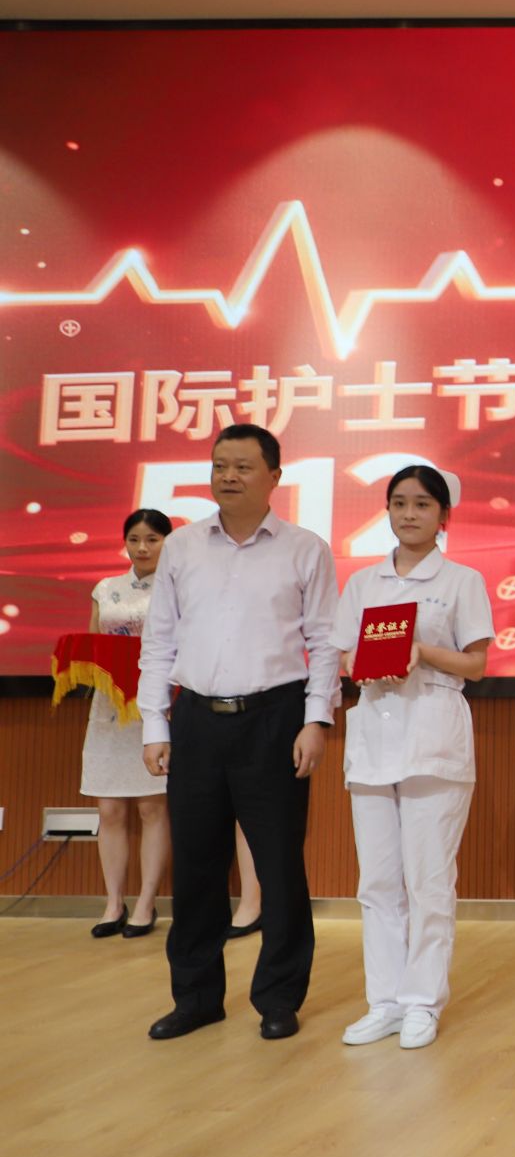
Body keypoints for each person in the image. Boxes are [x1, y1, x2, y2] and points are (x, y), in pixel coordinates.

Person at [138, 423, 339, 1041]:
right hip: (196, 718)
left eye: (243, 466)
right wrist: (155, 722)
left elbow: (324, 642)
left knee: (279, 865)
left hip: (275, 718)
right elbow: (159, 639)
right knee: (196, 865)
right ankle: (196, 997)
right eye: (219, 465)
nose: (228, 476)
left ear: (274, 477)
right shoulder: (182, 546)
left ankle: (278, 997)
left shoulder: (305, 549)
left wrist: (316, 720)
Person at [333, 466, 494, 1050]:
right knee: (377, 881)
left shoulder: (462, 580)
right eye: (399, 503)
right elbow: (344, 655)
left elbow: (477, 664)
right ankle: (384, 1001)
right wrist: (366, 662)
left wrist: (420, 650)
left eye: (422, 504)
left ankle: (422, 1001)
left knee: (428, 879)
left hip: (432, 735)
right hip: (374, 735)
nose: (408, 514)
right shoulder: (362, 583)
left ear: (443, 516)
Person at [81, 509, 172, 940]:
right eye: (134, 539)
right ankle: (113, 901)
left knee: (153, 808)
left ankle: (146, 903)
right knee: (109, 809)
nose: (142, 547)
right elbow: (94, 647)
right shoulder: (106, 588)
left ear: (167, 542)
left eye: (152, 539)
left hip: (157, 706)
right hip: (110, 709)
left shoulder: (178, 587)